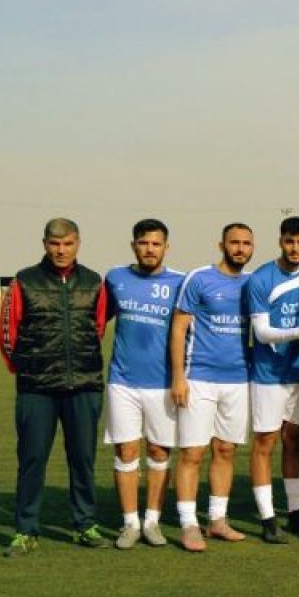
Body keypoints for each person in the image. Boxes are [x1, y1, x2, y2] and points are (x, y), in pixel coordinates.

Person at [0, 218, 109, 556]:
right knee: (32, 459)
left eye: (68, 243)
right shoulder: (24, 281)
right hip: (37, 389)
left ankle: (85, 524)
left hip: (84, 386)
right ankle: (25, 529)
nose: (61, 250)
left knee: (83, 459)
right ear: (45, 243)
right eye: (54, 244)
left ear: (78, 243)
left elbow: (98, 328)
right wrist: (30, 369)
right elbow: (6, 334)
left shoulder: (94, 282)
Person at [171, 223, 255, 551]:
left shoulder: (254, 284)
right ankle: (189, 524)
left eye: (246, 243)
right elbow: (178, 329)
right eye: (234, 242)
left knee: (225, 450)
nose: (240, 248)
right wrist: (179, 377)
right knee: (193, 452)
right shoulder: (199, 278)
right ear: (221, 244)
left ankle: (217, 520)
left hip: (238, 381)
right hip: (199, 378)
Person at [103, 219, 185, 549]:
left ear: (166, 247)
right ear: (133, 245)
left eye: (155, 243)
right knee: (126, 450)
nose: (149, 249)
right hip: (122, 381)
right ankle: (129, 523)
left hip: (164, 383)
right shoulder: (115, 278)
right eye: (143, 243)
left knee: (158, 450)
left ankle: (152, 521)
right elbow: (92, 318)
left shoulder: (181, 282)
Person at [244, 216, 299, 543]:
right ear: (280, 241)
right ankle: (266, 517)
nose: (295, 248)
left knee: (294, 440)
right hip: (269, 374)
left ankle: (294, 510)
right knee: (265, 443)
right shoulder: (262, 279)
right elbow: (261, 333)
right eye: (289, 242)